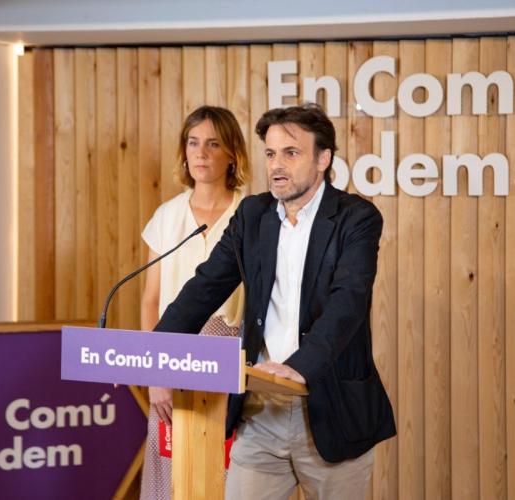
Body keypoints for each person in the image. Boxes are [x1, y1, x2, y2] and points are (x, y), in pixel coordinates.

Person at [150, 103, 396, 499]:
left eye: (291, 152)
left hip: (331, 409)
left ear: (323, 159)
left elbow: (347, 304)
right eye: (270, 153)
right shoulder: (252, 214)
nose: (277, 164)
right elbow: (205, 287)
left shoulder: (356, 218)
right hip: (261, 412)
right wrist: (157, 354)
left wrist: (298, 368)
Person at [138, 105, 249, 500]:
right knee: (174, 474)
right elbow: (150, 301)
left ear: (232, 154)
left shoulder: (252, 214)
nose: (201, 153)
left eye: (213, 144)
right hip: (173, 359)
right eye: (193, 142)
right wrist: (156, 374)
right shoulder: (167, 216)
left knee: (228, 477)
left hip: (234, 364)